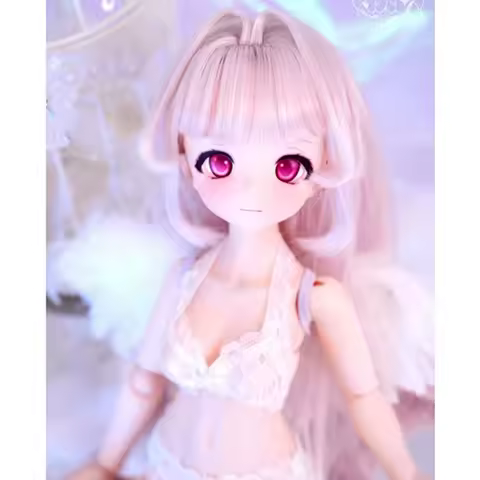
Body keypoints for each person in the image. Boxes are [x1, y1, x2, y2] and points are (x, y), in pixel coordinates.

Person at [69, 10, 434, 480]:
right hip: (166, 464)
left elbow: (364, 398)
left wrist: (405, 472)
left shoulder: (313, 297)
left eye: (288, 165)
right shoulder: (183, 278)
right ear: (184, 154)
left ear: (324, 165)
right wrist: (106, 463)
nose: (250, 189)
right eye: (219, 161)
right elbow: (144, 382)